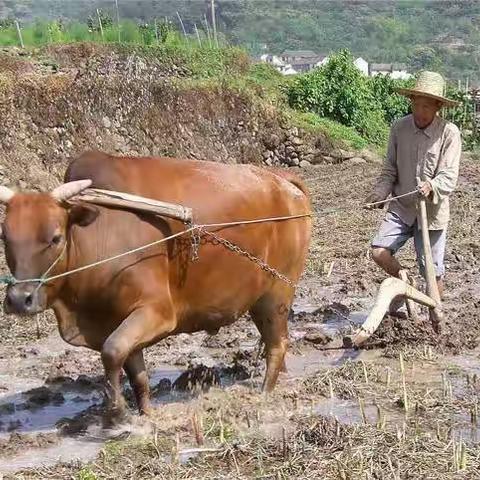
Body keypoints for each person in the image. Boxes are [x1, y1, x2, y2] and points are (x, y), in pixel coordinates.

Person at [365, 70, 462, 312]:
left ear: (438, 106)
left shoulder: (449, 133)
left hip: (432, 213)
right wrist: (379, 193)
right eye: (416, 105)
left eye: (426, 106)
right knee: (378, 252)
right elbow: (389, 169)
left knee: (432, 273)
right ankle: (403, 278)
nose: (419, 111)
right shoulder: (399, 129)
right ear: (411, 102)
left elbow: (449, 176)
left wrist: (432, 186)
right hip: (402, 208)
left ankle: (434, 317)